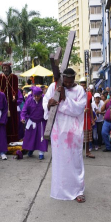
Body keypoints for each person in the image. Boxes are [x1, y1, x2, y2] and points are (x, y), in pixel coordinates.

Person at [43, 68, 87, 203]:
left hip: (73, 133)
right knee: (60, 162)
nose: (67, 84)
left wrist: (64, 98)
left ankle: (78, 191)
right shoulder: (54, 86)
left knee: (75, 162)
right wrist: (48, 105)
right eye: (65, 82)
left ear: (74, 79)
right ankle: (60, 189)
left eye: (70, 82)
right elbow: (46, 102)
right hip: (58, 132)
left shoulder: (80, 90)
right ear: (62, 78)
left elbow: (79, 108)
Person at [21, 86, 48, 160]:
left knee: (41, 138)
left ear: (41, 94)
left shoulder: (44, 100)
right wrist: (23, 118)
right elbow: (24, 110)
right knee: (30, 137)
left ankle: (41, 153)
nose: (36, 97)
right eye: (35, 96)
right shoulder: (29, 100)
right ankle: (30, 149)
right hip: (32, 121)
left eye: (38, 96)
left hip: (41, 122)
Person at [0, 62, 19, 143]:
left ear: (9, 68)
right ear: (2, 69)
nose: (5, 69)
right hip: (2, 101)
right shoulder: (0, 77)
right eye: (4, 68)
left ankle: (13, 139)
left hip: (12, 103)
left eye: (7, 68)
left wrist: (14, 95)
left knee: (12, 119)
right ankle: (3, 139)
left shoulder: (14, 77)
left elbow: (15, 89)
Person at [79, 78, 94, 158]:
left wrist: (92, 119)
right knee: (79, 136)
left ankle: (87, 152)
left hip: (87, 118)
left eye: (84, 85)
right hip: (80, 117)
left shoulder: (89, 94)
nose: (83, 87)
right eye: (81, 85)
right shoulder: (77, 94)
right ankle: (79, 153)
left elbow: (90, 107)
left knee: (87, 137)